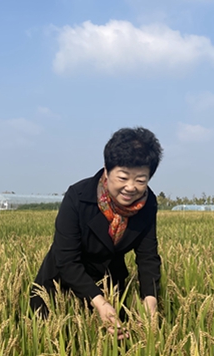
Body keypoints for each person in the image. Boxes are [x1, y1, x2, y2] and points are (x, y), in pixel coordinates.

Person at [30, 127, 163, 338]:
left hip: (109, 285)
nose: (130, 187)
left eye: (140, 180)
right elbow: (66, 259)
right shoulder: (78, 196)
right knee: (60, 343)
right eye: (123, 177)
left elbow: (148, 257)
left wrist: (150, 299)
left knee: (113, 349)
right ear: (106, 171)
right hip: (61, 284)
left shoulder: (147, 204)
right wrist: (98, 301)